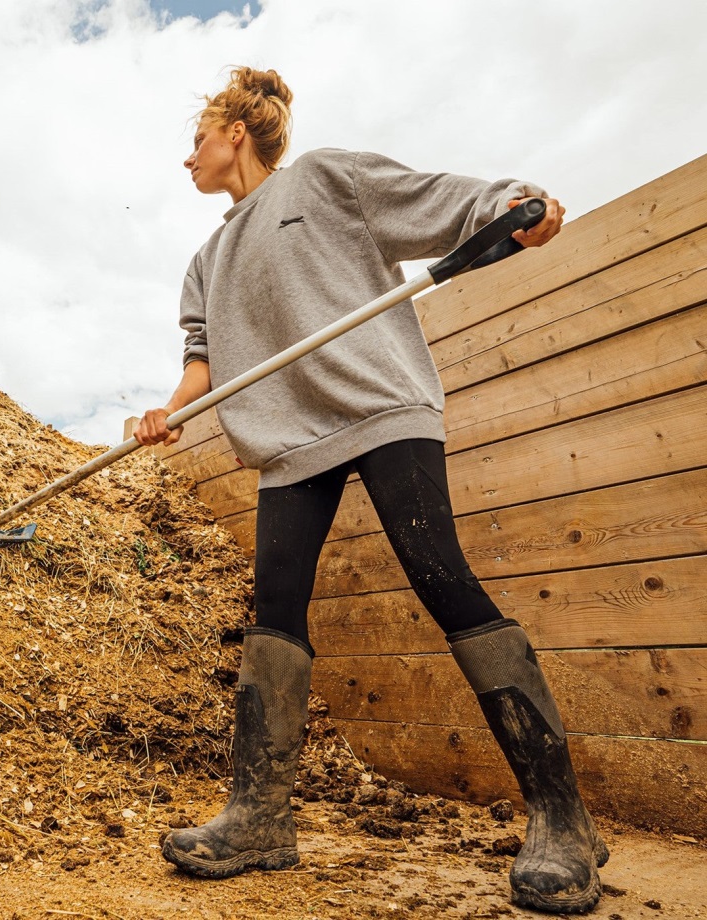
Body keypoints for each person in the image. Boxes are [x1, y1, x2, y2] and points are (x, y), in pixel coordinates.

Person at [134, 66, 608, 915]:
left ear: (233, 133)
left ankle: (563, 818)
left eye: (194, 141)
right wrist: (168, 414)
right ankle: (259, 818)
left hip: (381, 406)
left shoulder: (323, 179)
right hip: (285, 440)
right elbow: (200, 362)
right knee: (274, 609)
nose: (188, 160)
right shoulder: (206, 260)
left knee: (442, 578)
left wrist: (516, 203)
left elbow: (438, 200)